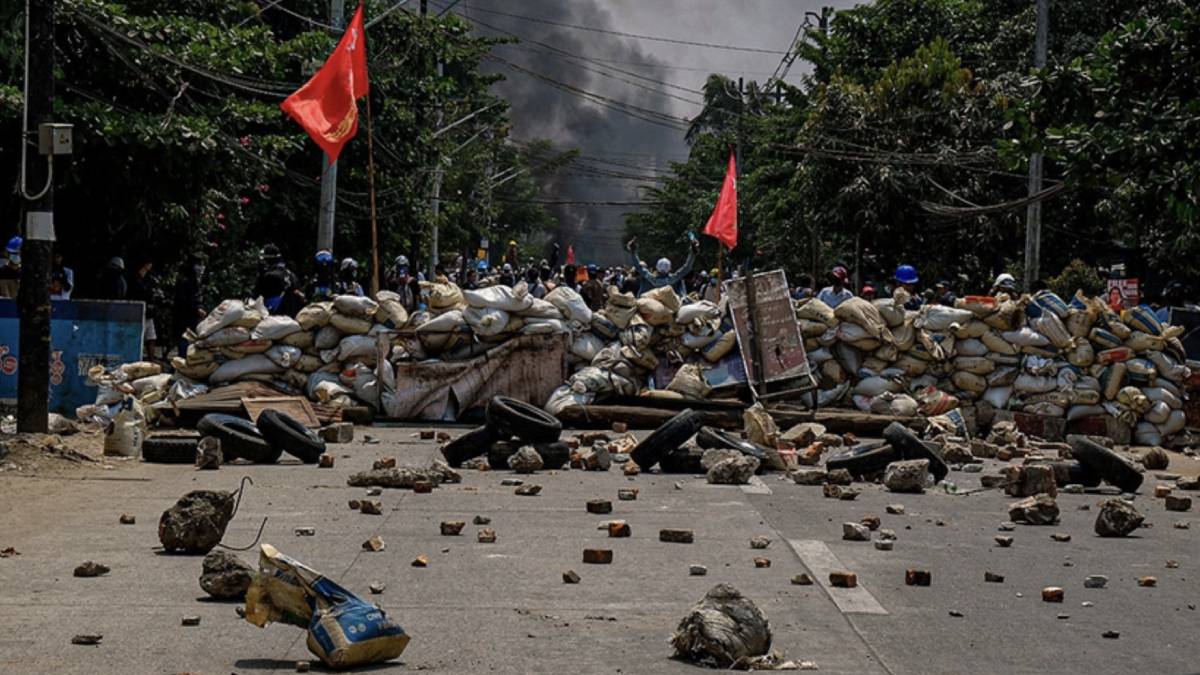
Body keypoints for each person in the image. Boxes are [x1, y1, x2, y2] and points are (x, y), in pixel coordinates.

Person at [626, 236, 697, 296]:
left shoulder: (650, 278)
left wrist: (633, 251)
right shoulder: (674, 279)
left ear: (656, 268)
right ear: (670, 269)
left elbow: (638, 266)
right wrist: (692, 253)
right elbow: (687, 267)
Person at [253, 244, 302, 314]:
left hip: (275, 316)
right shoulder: (291, 275)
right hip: (293, 317)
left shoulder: (269, 276)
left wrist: (260, 276)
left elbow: (256, 296)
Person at [172, 256, 206, 357]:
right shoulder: (185, 281)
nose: (201, 268)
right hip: (183, 318)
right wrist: (196, 309)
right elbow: (184, 301)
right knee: (184, 341)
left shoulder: (194, 281)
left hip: (191, 318)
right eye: (199, 265)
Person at [129, 259, 162, 358]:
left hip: (148, 312)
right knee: (138, 337)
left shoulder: (149, 279)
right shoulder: (135, 279)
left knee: (151, 337)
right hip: (138, 312)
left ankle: (151, 359)